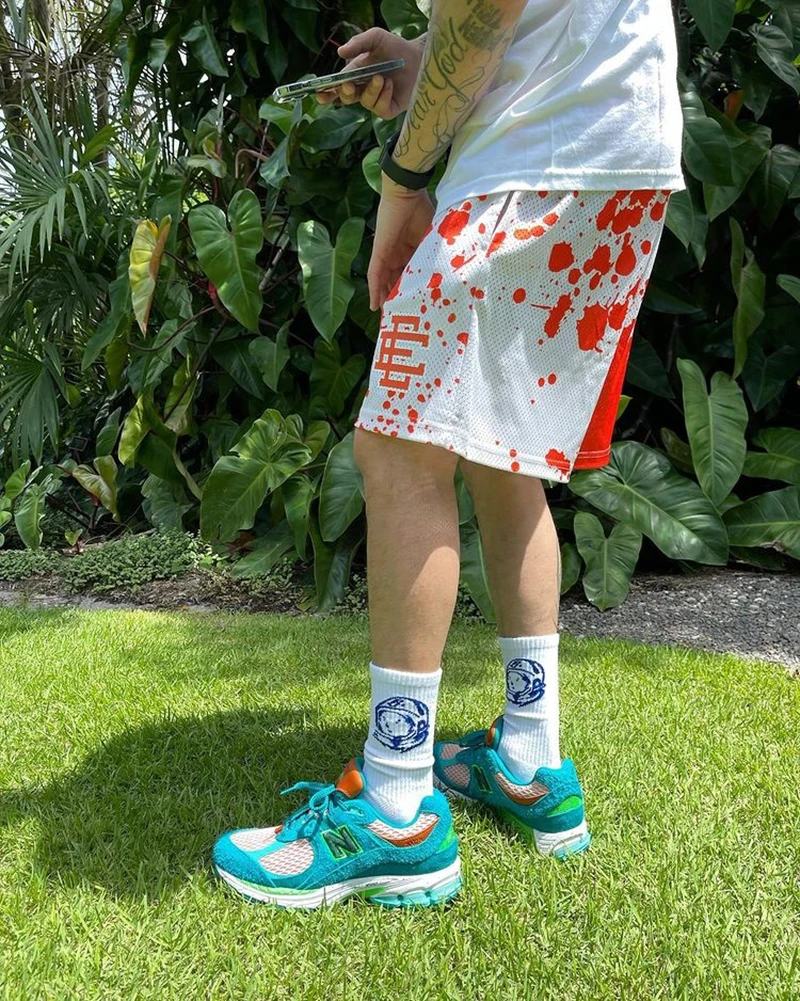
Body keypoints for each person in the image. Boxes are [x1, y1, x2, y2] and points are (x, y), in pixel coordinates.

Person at [213, 0, 685, 908]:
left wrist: (403, 180)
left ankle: (396, 813)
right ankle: (530, 761)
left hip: (540, 149)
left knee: (398, 449)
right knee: (505, 457)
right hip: (606, 141)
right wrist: (425, 56)